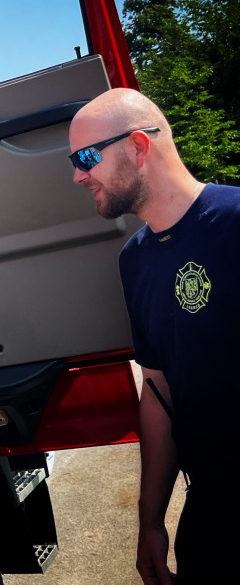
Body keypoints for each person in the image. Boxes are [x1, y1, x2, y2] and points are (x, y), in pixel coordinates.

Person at [68, 88, 240, 585]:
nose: (78, 175)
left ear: (138, 147)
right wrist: (150, 521)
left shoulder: (233, 224)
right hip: (210, 510)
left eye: (85, 158)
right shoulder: (135, 260)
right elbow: (159, 390)